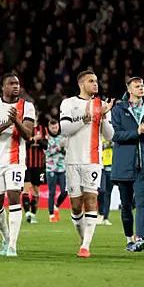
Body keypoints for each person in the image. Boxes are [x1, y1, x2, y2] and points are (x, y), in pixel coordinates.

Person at [59, 70, 114, 258]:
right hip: (72, 160)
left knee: (91, 200)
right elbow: (65, 130)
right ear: (81, 84)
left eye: (97, 81)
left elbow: (109, 136)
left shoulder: (102, 105)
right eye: (91, 81)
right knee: (75, 205)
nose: (95, 84)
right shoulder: (68, 103)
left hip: (93, 161)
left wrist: (104, 117)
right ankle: (84, 240)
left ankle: (86, 246)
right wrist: (85, 120)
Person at [0, 73, 36, 258]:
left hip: (15, 161)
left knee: (14, 198)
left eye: (18, 83)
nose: (16, 86)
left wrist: (17, 122)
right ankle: (5, 238)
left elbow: (28, 135)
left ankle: (12, 245)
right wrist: (8, 123)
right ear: (3, 87)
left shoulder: (27, 106)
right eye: (11, 83)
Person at [110, 77, 144, 252]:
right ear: (129, 89)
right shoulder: (118, 109)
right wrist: (136, 132)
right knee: (126, 204)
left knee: (141, 202)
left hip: (143, 163)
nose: (141, 88)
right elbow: (115, 136)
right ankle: (129, 239)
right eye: (137, 86)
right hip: (123, 162)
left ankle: (139, 238)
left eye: (142, 85)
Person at [23, 115, 49, 225]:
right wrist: (34, 139)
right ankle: (27, 212)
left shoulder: (43, 130)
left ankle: (33, 214)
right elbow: (24, 145)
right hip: (26, 164)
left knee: (36, 191)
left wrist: (40, 140)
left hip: (39, 165)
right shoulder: (24, 129)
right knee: (26, 189)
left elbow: (46, 145)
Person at [44, 119, 68, 222]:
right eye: (52, 128)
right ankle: (51, 215)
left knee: (65, 191)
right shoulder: (47, 138)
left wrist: (64, 149)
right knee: (52, 192)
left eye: (56, 127)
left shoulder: (62, 137)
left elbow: (66, 152)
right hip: (51, 168)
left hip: (62, 168)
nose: (54, 129)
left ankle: (56, 205)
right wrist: (59, 147)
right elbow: (47, 153)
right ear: (49, 128)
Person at [97, 137, 113, 225]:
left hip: (112, 167)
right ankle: (100, 213)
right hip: (101, 166)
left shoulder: (114, 135)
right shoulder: (100, 136)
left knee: (108, 193)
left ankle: (105, 217)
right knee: (102, 191)